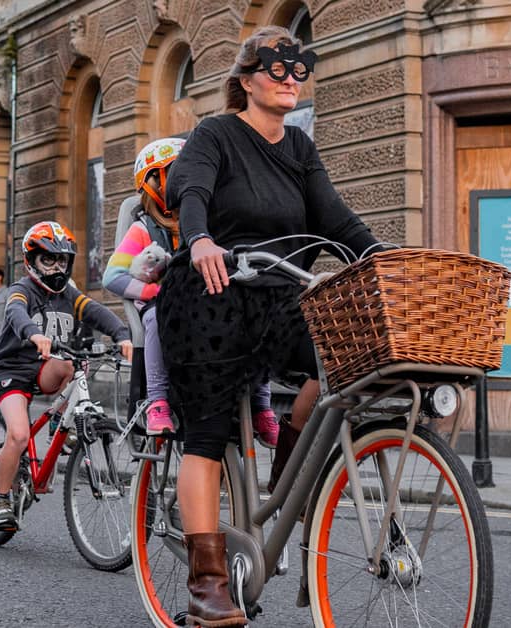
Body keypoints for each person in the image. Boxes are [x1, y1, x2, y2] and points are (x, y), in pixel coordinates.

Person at [157, 26, 377, 627]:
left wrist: (380, 256)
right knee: (206, 434)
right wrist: (199, 239)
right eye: (277, 70)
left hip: (280, 294)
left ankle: (286, 490)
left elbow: (333, 217)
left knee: (347, 360)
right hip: (213, 291)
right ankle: (206, 582)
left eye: (297, 70)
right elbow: (189, 187)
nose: (289, 80)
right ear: (247, 79)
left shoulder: (300, 148)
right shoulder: (217, 133)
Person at [104, 137, 280, 445]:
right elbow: (112, 276)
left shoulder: (206, 224)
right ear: (153, 183)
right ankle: (157, 402)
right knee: (157, 318)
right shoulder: (143, 229)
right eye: (177, 173)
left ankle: (261, 406)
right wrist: (151, 294)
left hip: (205, 305)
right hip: (164, 306)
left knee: (258, 317)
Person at [0, 221, 132, 530]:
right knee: (20, 435)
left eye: (61, 260)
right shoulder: (21, 290)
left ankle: (58, 422)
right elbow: (15, 312)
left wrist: (122, 335)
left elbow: (95, 311)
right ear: (31, 261)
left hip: (43, 367)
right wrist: (34, 333)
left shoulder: (69, 294)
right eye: (47, 260)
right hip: (10, 370)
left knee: (71, 366)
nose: (55, 268)